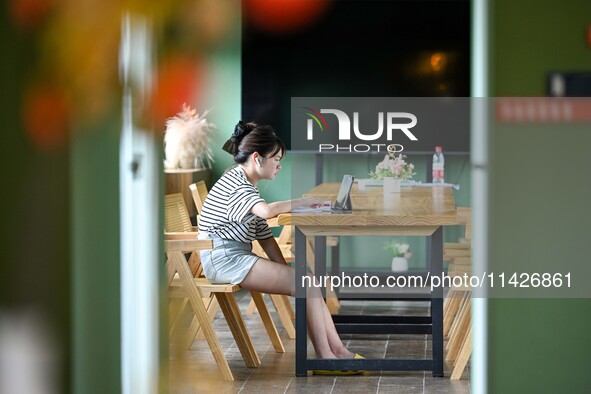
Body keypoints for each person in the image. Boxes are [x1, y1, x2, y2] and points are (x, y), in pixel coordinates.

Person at [197, 121, 362, 373]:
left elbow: (264, 236)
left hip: (236, 255)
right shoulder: (237, 183)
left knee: (307, 283)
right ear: (257, 158)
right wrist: (304, 201)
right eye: (275, 159)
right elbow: (266, 212)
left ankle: (336, 351)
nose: (279, 165)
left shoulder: (246, 184)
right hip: (224, 259)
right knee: (307, 283)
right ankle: (325, 357)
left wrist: (287, 276)